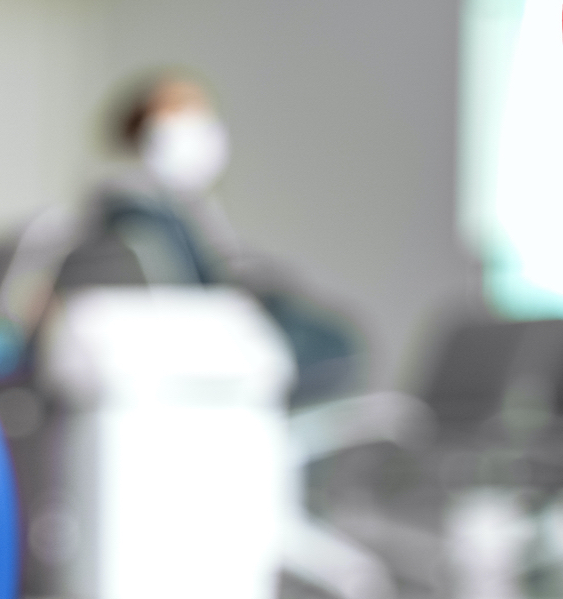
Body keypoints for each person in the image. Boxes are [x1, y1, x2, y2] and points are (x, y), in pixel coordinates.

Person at [52, 72, 360, 406]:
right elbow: (202, 287)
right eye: (183, 110)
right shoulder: (137, 211)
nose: (201, 125)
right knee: (335, 347)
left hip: (213, 337)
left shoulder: (174, 205)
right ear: (142, 127)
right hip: (203, 342)